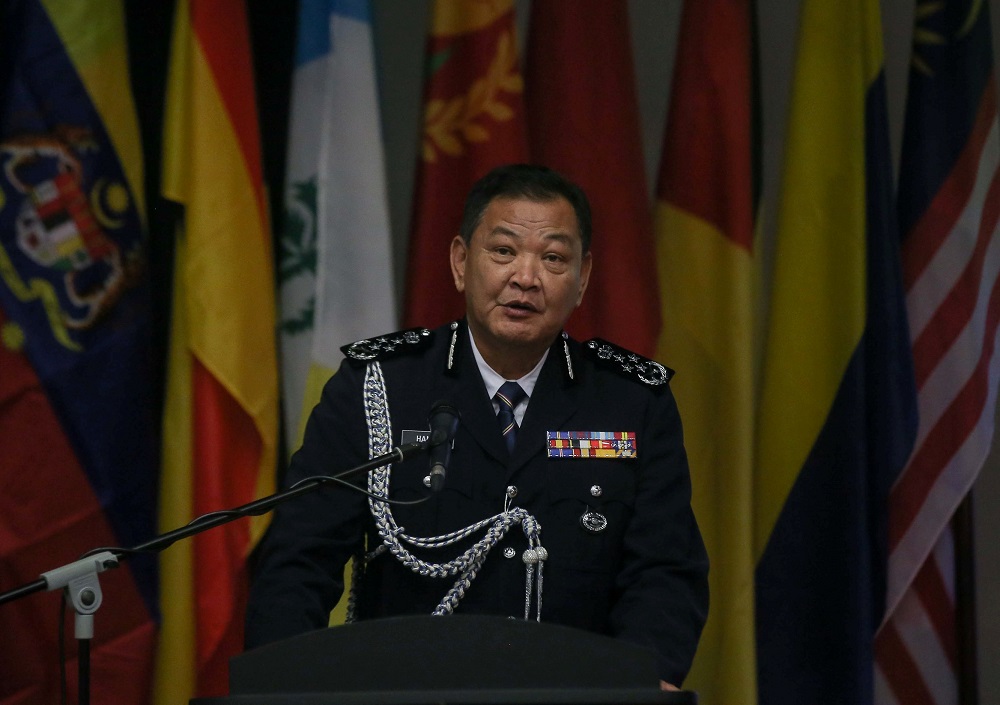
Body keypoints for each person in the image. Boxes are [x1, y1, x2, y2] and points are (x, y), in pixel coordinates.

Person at [245, 164, 709, 689]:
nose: (526, 278)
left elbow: (665, 572)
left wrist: (643, 685)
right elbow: (298, 562)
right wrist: (278, 688)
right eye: (504, 251)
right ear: (461, 262)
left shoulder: (631, 402)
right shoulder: (377, 389)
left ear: (582, 279)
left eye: (553, 258)